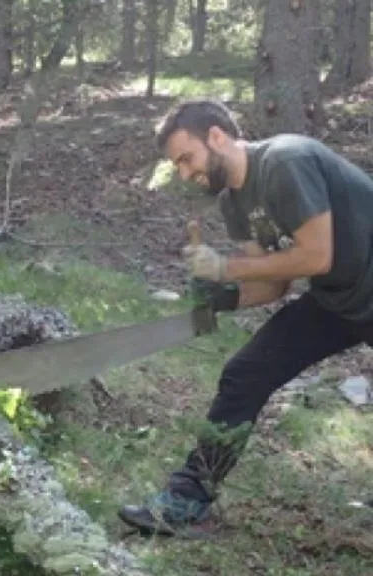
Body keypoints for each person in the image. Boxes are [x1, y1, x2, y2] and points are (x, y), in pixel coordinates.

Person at [118, 99, 373, 536]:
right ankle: (188, 499)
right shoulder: (233, 204)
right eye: (176, 164)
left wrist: (227, 267)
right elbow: (274, 284)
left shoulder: (284, 161)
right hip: (341, 300)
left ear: (217, 137)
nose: (184, 173)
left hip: (351, 284)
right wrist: (220, 297)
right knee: (246, 372)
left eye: (186, 158)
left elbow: (316, 255)